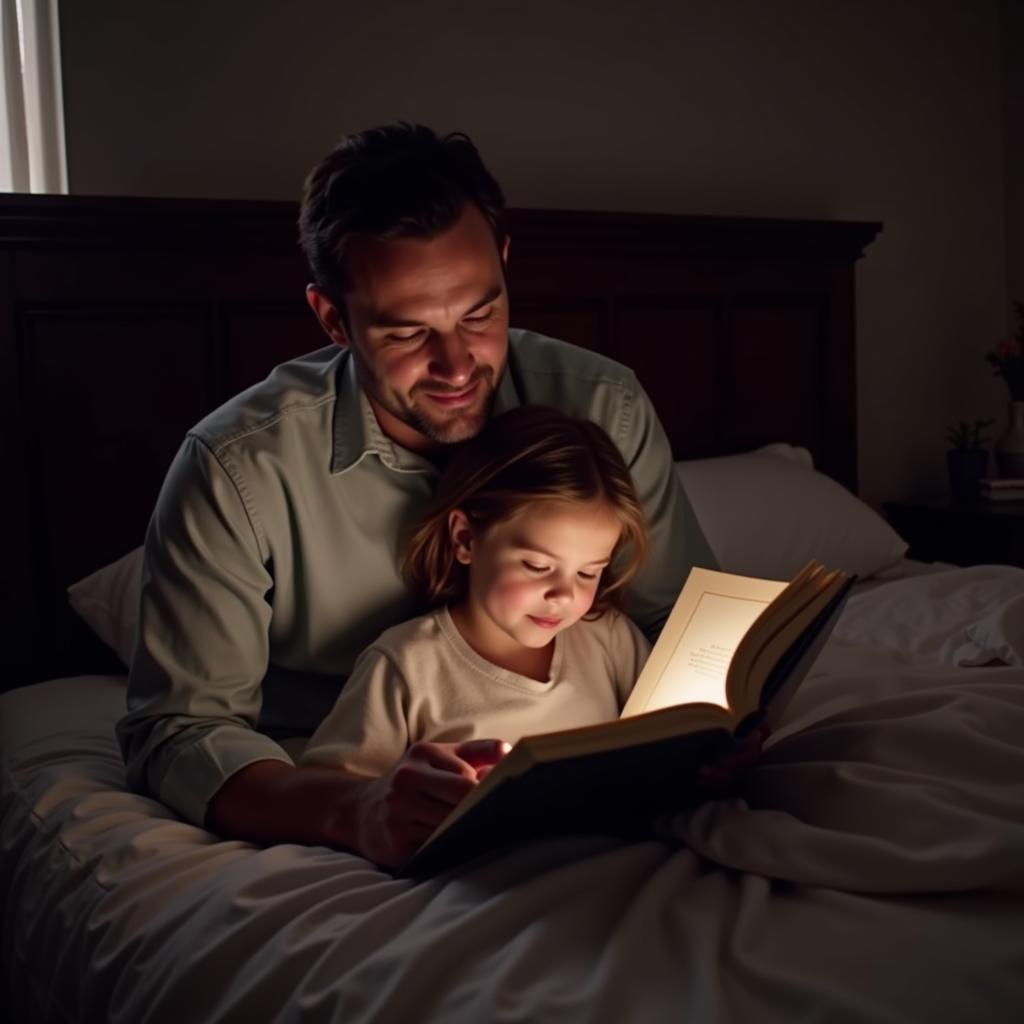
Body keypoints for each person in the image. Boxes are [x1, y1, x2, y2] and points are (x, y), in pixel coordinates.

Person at [117, 122, 715, 856]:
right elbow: (182, 731)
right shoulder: (236, 467)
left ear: (503, 260)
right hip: (333, 785)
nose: (458, 366)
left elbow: (678, 631)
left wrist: (714, 734)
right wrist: (358, 808)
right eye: (406, 334)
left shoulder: (605, 405)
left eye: (480, 314)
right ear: (333, 319)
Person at [300, 405, 651, 867]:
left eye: (589, 573)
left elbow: (664, 735)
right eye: (537, 567)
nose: (563, 596)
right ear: (465, 539)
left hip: (606, 865)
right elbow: (339, 796)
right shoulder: (407, 662)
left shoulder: (607, 636)